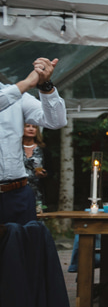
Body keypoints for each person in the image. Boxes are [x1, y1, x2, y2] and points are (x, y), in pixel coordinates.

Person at [1, 58, 65, 225]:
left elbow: (56, 121)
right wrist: (27, 83)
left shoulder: (17, 96)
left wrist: (45, 86)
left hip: (18, 193)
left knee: (24, 248)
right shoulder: (17, 91)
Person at [22, 124, 46, 209]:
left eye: (34, 127)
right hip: (17, 190)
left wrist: (43, 173)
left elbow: (51, 170)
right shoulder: (14, 148)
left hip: (36, 192)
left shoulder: (43, 148)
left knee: (37, 218)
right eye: (28, 126)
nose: (31, 129)